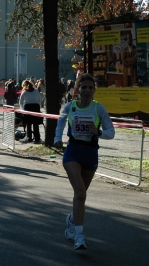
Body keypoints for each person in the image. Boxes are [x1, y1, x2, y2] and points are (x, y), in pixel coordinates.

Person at [53, 73, 115, 250]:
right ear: (77, 89)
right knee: (80, 193)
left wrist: (99, 132)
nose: (87, 90)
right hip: (73, 152)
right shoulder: (70, 106)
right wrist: (57, 138)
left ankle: (72, 219)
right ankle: (79, 236)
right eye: (84, 87)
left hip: (90, 154)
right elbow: (60, 122)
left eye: (90, 87)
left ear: (94, 90)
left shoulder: (99, 109)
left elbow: (111, 132)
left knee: (81, 195)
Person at [19, 80, 42, 144]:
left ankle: (29, 137)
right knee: (35, 123)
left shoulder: (25, 92)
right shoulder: (36, 91)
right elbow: (39, 100)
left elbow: (20, 102)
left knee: (28, 123)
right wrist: (39, 108)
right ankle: (37, 137)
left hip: (28, 107)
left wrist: (22, 110)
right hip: (36, 107)